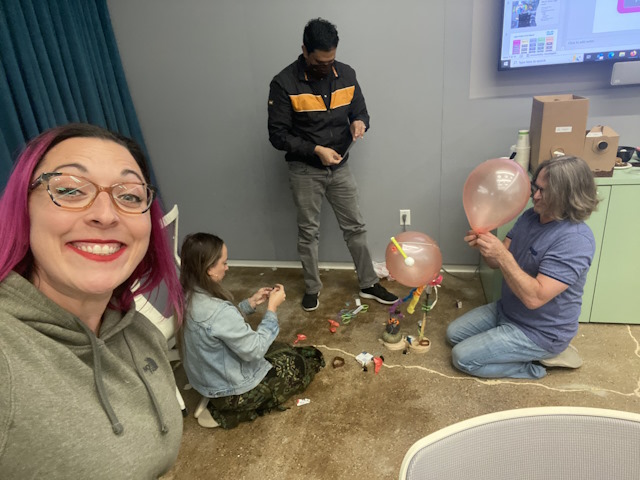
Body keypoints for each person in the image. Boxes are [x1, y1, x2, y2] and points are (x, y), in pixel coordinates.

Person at [0, 123, 184, 478]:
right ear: (23, 208)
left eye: (129, 195)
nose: (106, 214)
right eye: (69, 190)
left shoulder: (138, 331)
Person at [268, 17, 398, 311]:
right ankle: (312, 288)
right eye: (319, 62)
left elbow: (361, 111)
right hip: (304, 170)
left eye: (330, 61)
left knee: (356, 227)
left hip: (339, 167)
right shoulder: (283, 83)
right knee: (308, 232)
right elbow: (277, 135)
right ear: (304, 50)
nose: (326, 67)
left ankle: (368, 283)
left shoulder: (347, 75)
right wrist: (316, 150)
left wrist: (360, 123)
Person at [446, 155, 599, 379]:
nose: (535, 196)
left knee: (462, 357)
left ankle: (535, 365)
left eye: (545, 191)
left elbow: (534, 298)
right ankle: (513, 347)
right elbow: (495, 262)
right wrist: (485, 245)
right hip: (508, 310)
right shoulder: (530, 217)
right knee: (452, 335)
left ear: (567, 196)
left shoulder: (575, 240)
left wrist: (501, 254)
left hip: (540, 331)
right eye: (535, 187)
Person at [179, 232, 324, 429]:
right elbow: (254, 350)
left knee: (283, 349)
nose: (227, 268)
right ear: (209, 269)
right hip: (229, 390)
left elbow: (220, 327)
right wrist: (272, 309)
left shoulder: (187, 293)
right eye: (224, 263)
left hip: (207, 379)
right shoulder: (218, 311)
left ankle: (225, 404)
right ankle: (227, 412)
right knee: (301, 363)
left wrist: (250, 303)